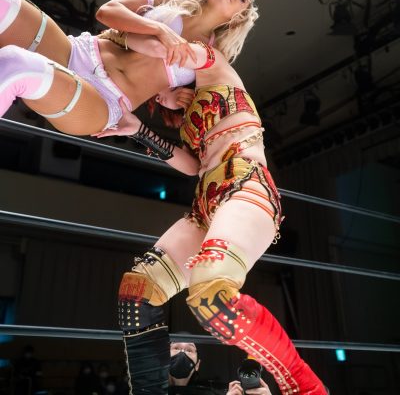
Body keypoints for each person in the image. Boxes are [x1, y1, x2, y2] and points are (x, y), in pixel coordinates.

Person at [101, 40, 326, 394]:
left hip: (245, 186)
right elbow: (192, 166)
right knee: (138, 290)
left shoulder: (212, 66)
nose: (156, 96)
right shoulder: (187, 117)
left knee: (212, 295)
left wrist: (144, 52)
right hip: (205, 205)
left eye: (156, 89)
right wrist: (138, 130)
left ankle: (304, 385)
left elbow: (177, 44)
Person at [0, 0, 258, 135]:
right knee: (4, 0)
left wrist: (171, 98)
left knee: (16, 64)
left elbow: (197, 106)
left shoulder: (213, 55)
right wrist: (159, 29)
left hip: (105, 99)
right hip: (76, 51)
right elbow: (107, 12)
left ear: (239, 18)